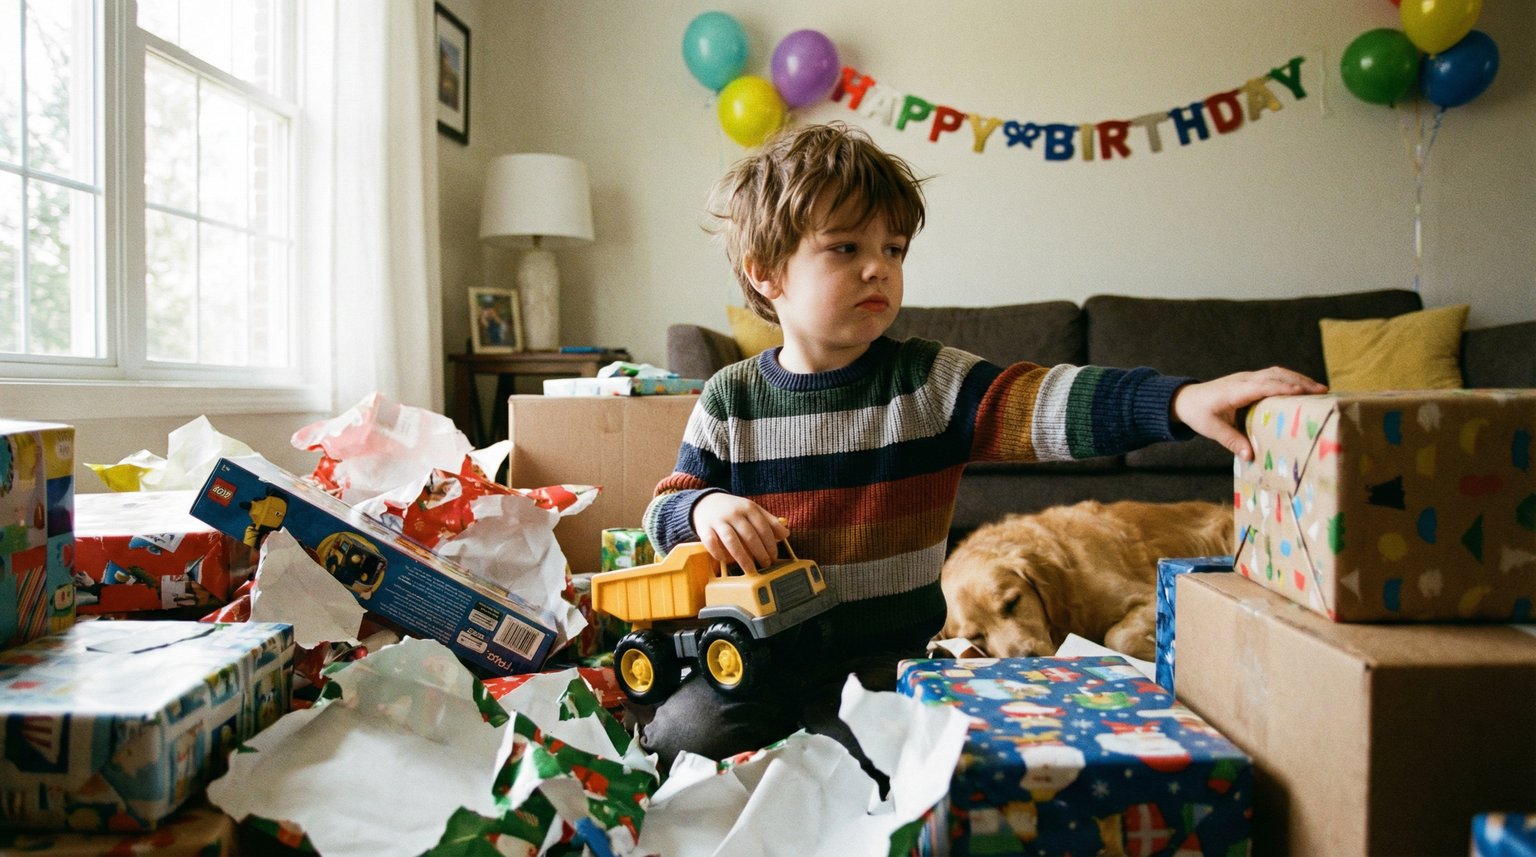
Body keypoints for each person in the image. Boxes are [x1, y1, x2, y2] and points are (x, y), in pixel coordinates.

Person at [638, 121, 1324, 779]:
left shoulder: (931, 382)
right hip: (758, 658)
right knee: (676, 740)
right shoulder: (731, 397)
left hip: (889, 665)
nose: (879, 267)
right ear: (767, 273)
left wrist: (1177, 401)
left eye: (895, 248)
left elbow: (1052, 401)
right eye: (846, 248)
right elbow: (664, 511)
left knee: (881, 774)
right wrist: (704, 508)